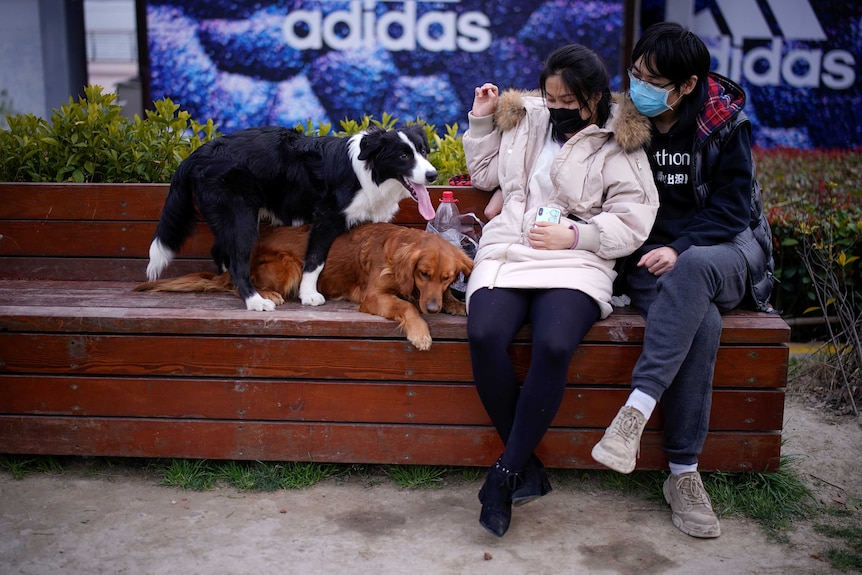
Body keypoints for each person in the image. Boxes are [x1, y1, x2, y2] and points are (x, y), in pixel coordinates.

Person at [462, 44, 659, 537]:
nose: (556, 110)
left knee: (553, 344)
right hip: (511, 249)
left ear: (594, 98)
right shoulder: (527, 119)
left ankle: (504, 474)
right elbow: (487, 177)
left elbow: (635, 220)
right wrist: (483, 121)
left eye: (568, 102)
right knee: (484, 333)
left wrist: (578, 235)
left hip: (577, 259)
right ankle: (524, 467)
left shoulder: (620, 139)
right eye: (550, 98)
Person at [590, 22, 776, 539]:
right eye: (635, 74)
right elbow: (559, 106)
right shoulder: (626, 121)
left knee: (692, 268)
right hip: (652, 260)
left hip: (726, 253)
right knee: (704, 323)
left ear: (687, 84)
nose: (639, 87)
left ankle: (634, 413)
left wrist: (681, 247)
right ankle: (683, 474)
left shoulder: (723, 125)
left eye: (652, 80)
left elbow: (735, 210)